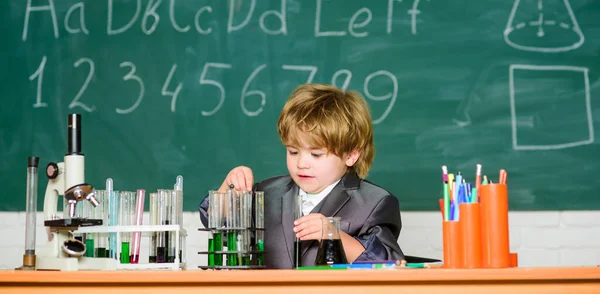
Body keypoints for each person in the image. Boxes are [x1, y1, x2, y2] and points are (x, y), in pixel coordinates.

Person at [199, 84, 404, 269]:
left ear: (351, 155)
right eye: (293, 152)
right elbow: (222, 230)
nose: (301, 163)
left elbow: (388, 263)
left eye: (316, 154)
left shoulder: (375, 202)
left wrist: (333, 234)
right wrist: (229, 188)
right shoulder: (267, 193)